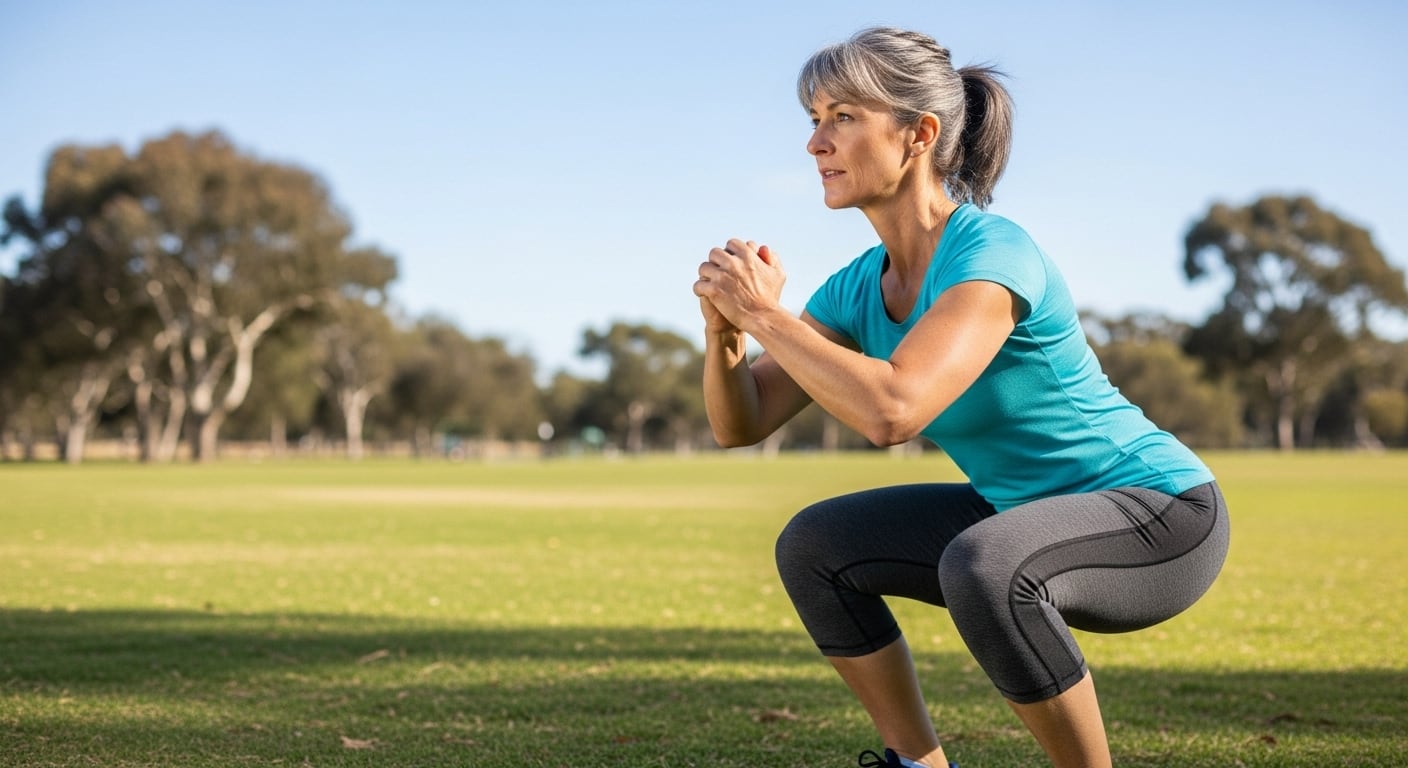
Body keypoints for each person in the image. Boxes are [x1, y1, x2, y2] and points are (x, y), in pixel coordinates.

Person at [692, 27, 1230, 768]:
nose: (816, 142)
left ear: (919, 135)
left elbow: (893, 410)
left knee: (984, 565)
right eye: (813, 118)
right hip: (1020, 515)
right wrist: (724, 332)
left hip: (1159, 515)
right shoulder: (858, 285)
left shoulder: (990, 251)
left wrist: (765, 315)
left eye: (843, 116)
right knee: (817, 547)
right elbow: (740, 423)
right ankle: (917, 764)